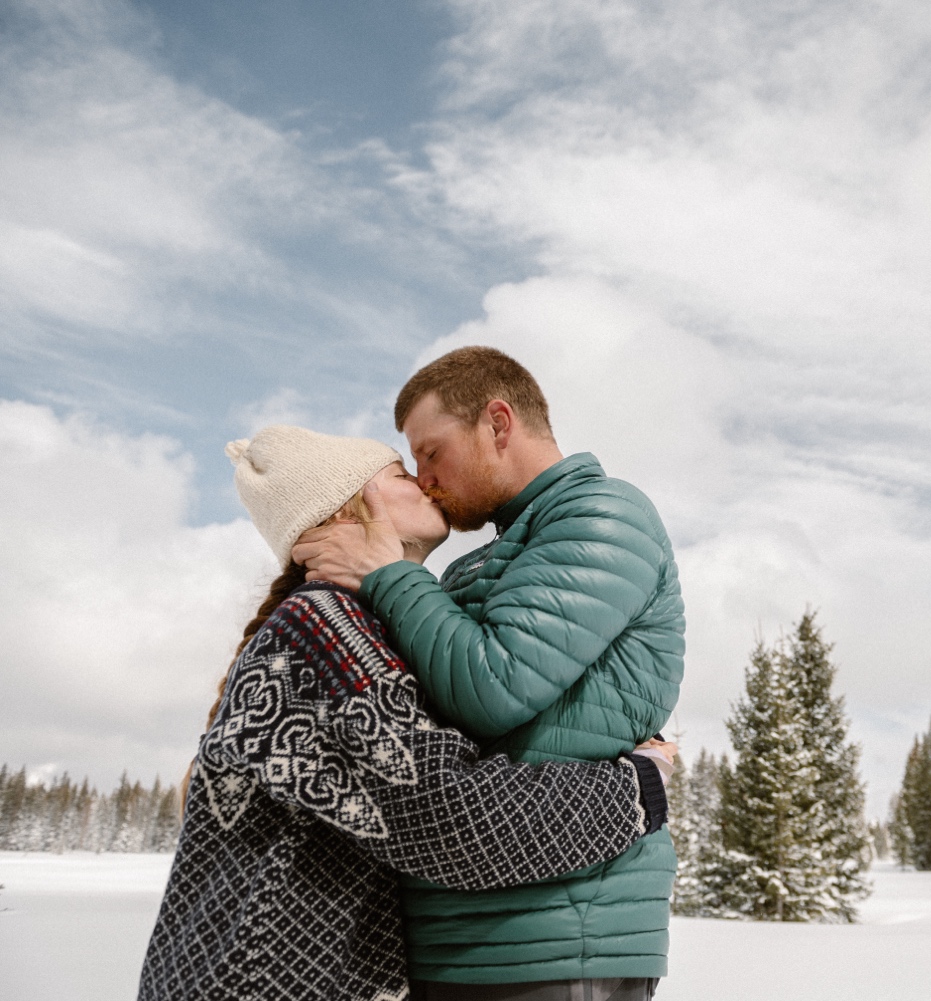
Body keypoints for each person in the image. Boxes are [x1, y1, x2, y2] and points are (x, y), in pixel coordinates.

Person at [139, 425, 674, 1001]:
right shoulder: (324, 632)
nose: (424, 482)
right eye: (399, 474)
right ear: (344, 514)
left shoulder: (355, 629)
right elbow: (447, 817)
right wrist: (636, 788)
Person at [294, 346, 684, 1000]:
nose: (424, 478)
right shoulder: (474, 569)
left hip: (556, 938)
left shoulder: (606, 514)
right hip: (456, 935)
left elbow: (495, 687)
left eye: (431, 451)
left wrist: (391, 575)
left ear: (498, 424)